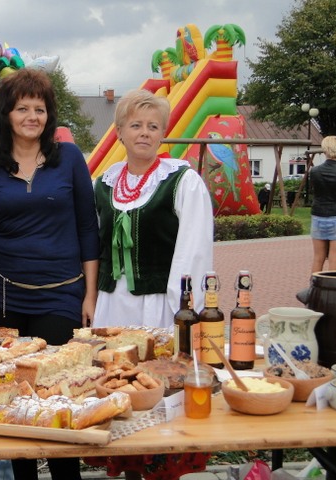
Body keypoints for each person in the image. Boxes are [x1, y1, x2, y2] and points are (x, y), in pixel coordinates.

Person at [0, 68, 100, 480]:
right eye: (22, 108)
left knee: (57, 393)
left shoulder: (70, 158)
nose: (32, 116)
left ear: (49, 115)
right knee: (12, 396)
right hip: (4, 294)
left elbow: (87, 227)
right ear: (6, 114)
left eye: (39, 109)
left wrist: (90, 295)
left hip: (61, 293)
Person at [85, 89, 214, 480]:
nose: (144, 133)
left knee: (158, 390)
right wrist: (90, 297)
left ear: (163, 133)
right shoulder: (103, 184)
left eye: (153, 126)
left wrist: (182, 312)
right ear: (120, 132)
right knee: (117, 387)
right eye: (136, 125)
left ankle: (161, 470)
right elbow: (93, 245)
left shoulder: (182, 181)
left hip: (160, 304)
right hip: (112, 305)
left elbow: (193, 252)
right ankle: (127, 469)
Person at [309, 135, 336, 273]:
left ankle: (314, 285)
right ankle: (332, 285)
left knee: (318, 257)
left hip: (318, 215)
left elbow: (315, 190)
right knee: (335, 258)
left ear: (324, 150)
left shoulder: (315, 171)